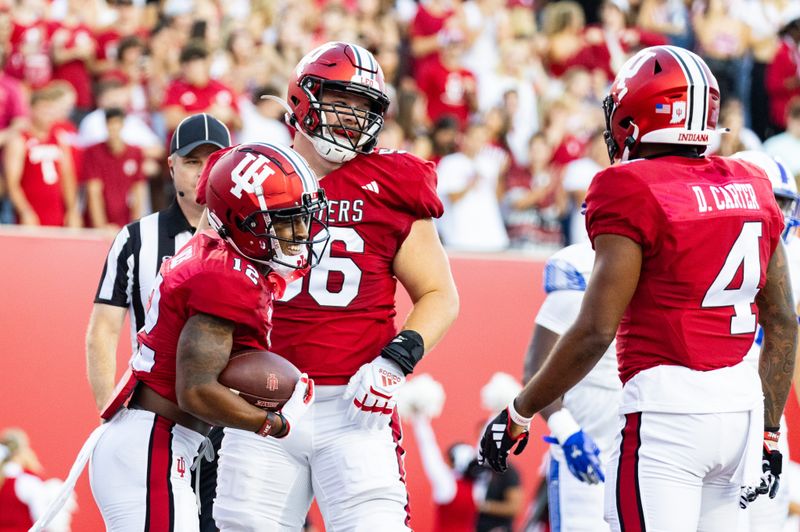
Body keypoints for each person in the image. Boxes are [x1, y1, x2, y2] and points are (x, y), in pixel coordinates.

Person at [479, 45, 797, 532]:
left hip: (667, 414)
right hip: (742, 412)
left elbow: (594, 330)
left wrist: (520, 411)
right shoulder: (752, 182)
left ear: (638, 114)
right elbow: (781, 320)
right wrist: (770, 431)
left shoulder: (628, 186)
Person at [201, 41, 459, 531]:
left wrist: (394, 361)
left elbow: (439, 294)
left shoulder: (394, 179)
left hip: (356, 407)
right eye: (343, 101)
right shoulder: (248, 170)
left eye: (366, 108)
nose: (353, 118)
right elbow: (200, 278)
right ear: (304, 98)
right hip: (259, 402)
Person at [89, 142, 328, 530]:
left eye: (302, 219)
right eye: (286, 220)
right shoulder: (225, 277)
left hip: (158, 440)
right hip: (155, 441)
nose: (301, 233)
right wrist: (273, 422)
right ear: (245, 221)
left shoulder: (215, 250)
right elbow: (196, 391)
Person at [86, 113, 231, 413]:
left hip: (229, 415)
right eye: (192, 162)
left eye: (213, 161)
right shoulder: (135, 238)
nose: (203, 173)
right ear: (171, 166)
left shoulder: (250, 239)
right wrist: (106, 409)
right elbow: (103, 329)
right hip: (155, 408)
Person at [523, 241, 621, 531]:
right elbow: (534, 372)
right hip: (590, 447)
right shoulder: (581, 270)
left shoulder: (662, 267)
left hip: (643, 442)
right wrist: (569, 433)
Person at [732, 150, 800, 532]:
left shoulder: (792, 256)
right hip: (717, 400)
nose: (781, 215)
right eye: (773, 202)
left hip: (763, 412)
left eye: (785, 204)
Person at [4, 84, 80, 227]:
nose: (47, 114)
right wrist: (25, 211)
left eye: (50, 110)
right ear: (32, 109)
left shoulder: (59, 138)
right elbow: (12, 182)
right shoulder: (20, 140)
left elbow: (68, 177)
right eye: (43, 109)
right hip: (32, 214)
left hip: (57, 212)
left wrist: (72, 210)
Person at [83, 107, 147, 230]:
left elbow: (138, 190)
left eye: (117, 123)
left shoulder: (135, 152)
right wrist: (100, 225)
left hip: (124, 220)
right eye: (111, 124)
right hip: (97, 223)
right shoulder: (93, 152)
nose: (114, 128)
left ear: (123, 125)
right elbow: (93, 190)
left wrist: (135, 225)